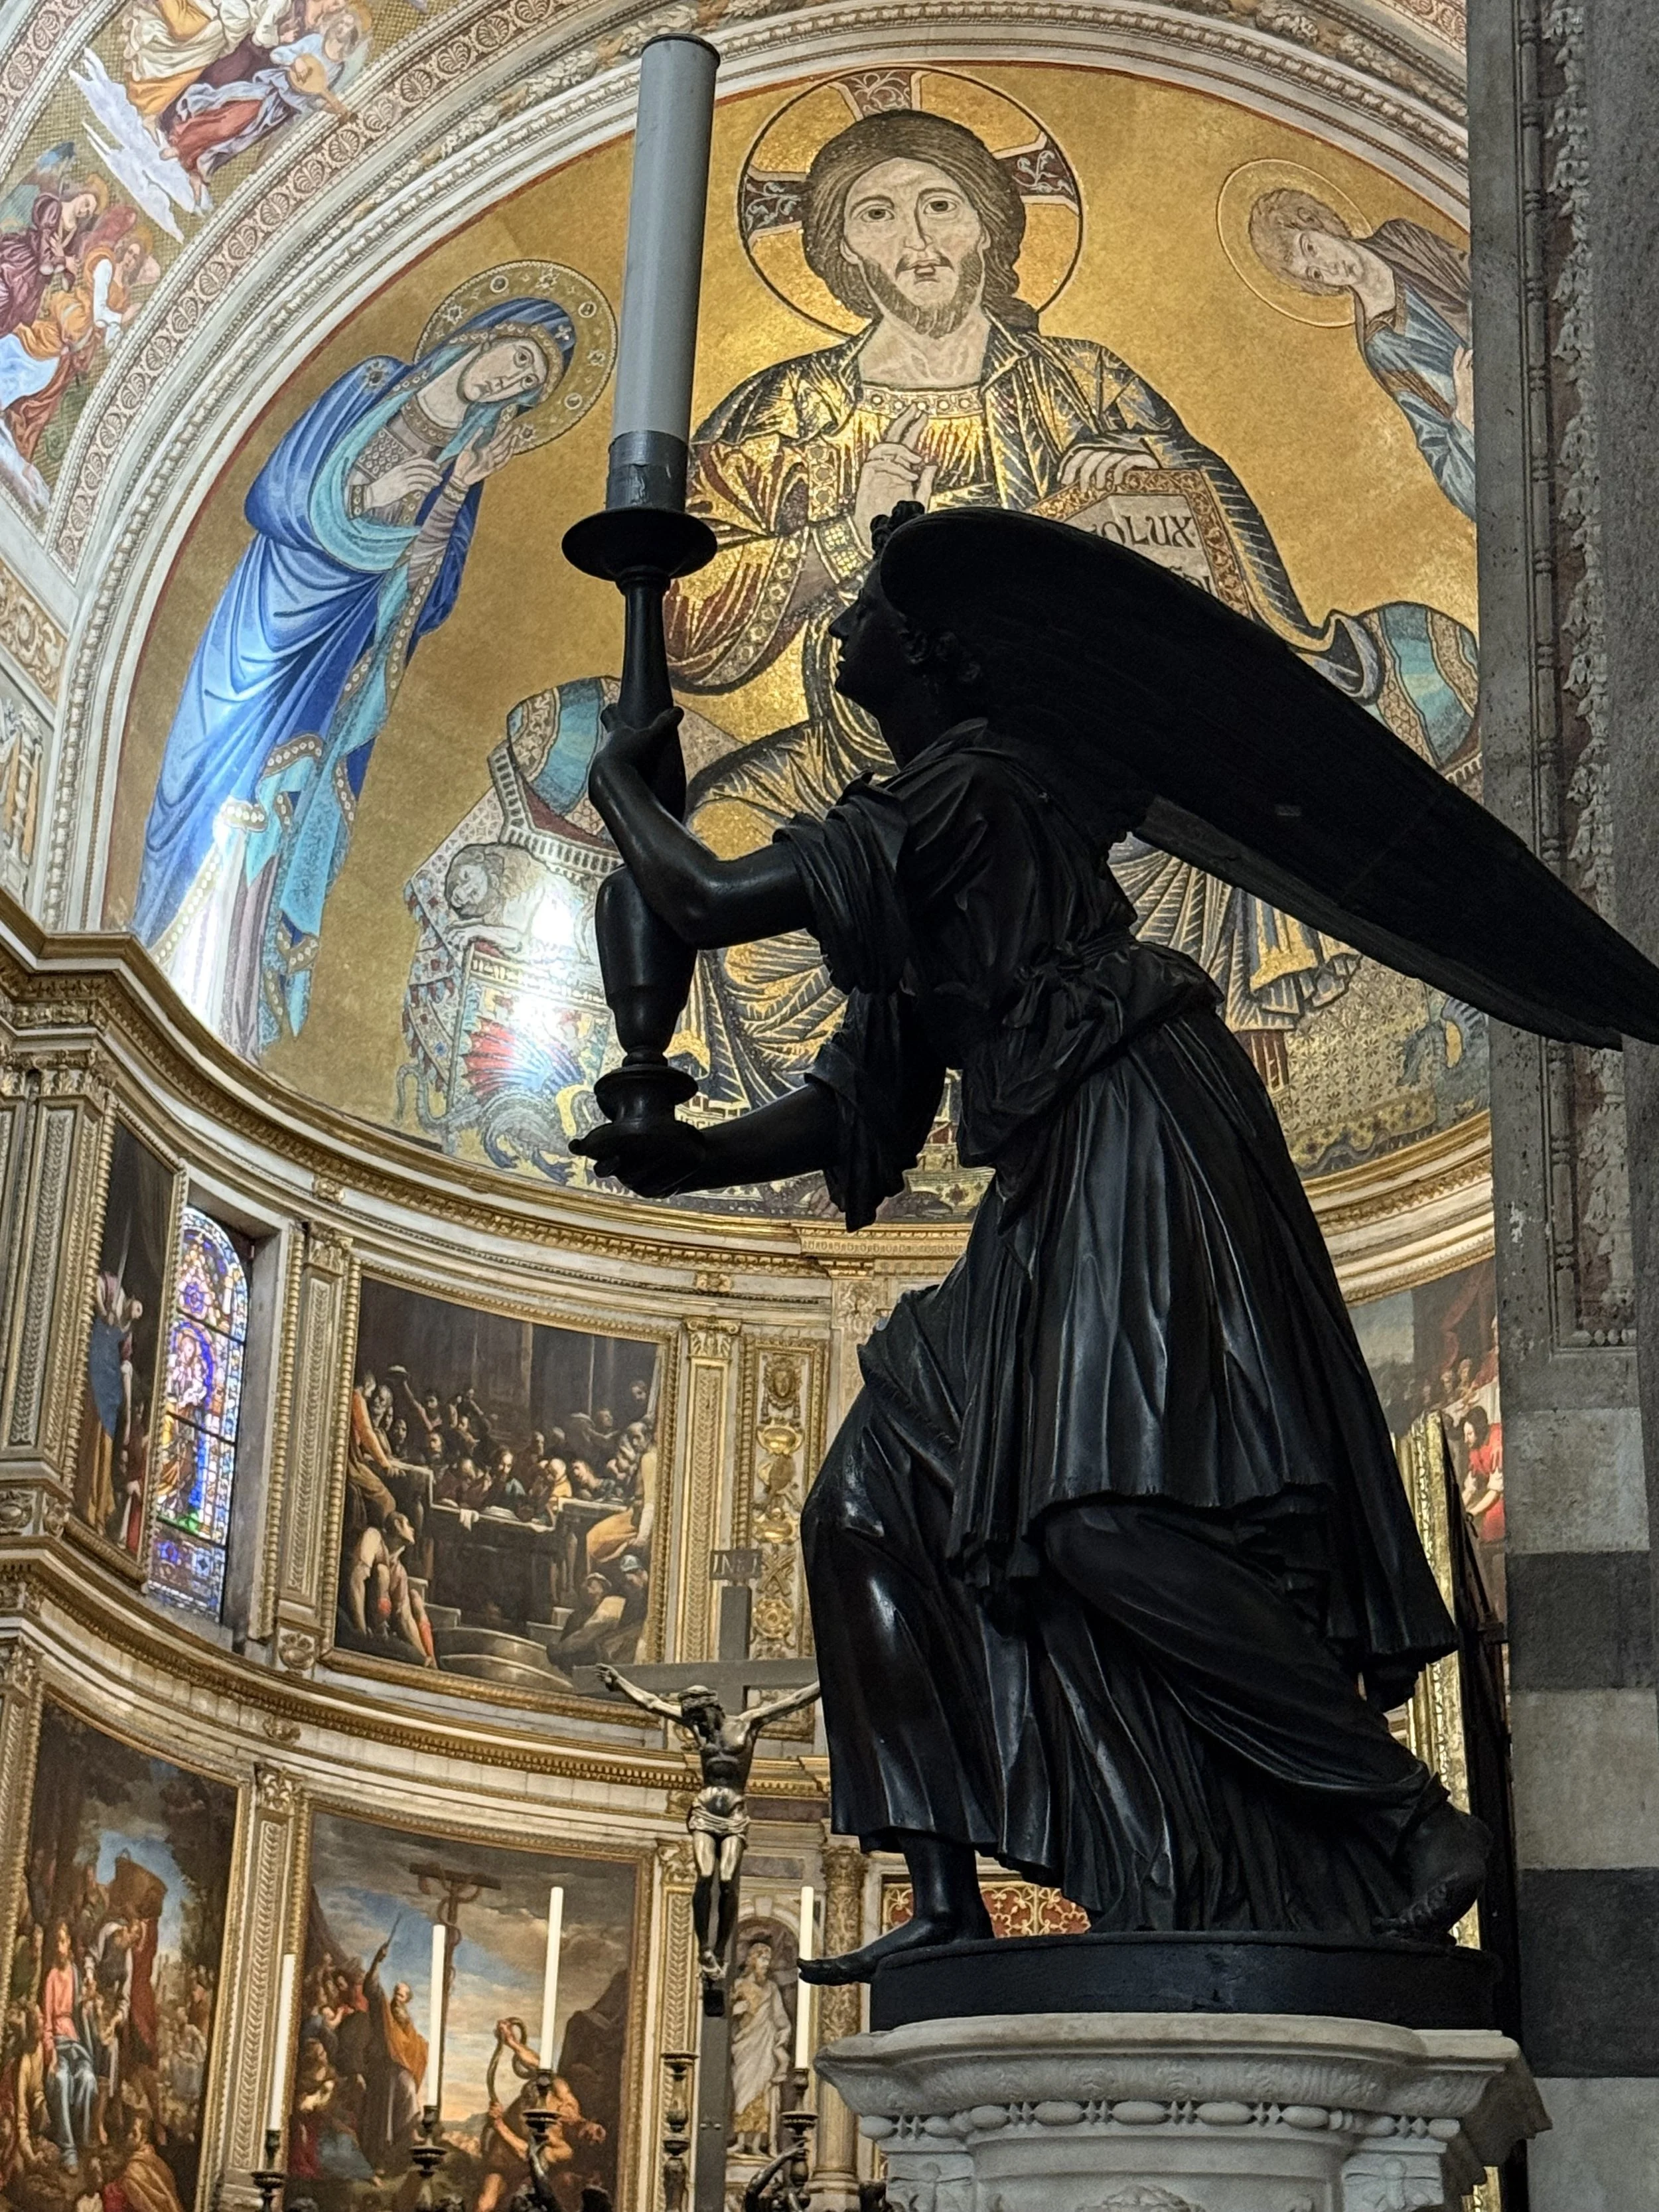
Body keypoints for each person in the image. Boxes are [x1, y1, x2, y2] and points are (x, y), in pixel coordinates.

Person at [575, 504, 1614, 1971]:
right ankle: (939, 1896)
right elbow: (858, 1095)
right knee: (865, 1509)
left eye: (867, 606)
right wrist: (681, 1155)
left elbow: (706, 896)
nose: (842, 629)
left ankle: (1397, 1817)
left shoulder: (976, 781)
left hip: (1137, 1124)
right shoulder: (913, 841)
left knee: (1101, 1514)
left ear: (935, 652)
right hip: (1050, 1173)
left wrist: (622, 783)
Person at [658, 104, 1474, 1102]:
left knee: (1207, 830)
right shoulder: (786, 412)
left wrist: (1142, 478)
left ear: (991, 228)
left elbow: (1220, 570)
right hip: (853, 776)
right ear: (838, 250)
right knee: (722, 839)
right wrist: (837, 536)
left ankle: (1198, 1088)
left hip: (1078, 778)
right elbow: (687, 631)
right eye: (876, 215)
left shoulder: (1082, 381)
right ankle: (855, 1130)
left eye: (939, 206)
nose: (914, 243)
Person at [133, 296, 576, 1058]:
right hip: (270, 612)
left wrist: (455, 490)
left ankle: (231, 1001)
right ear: (487, 336)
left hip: (340, 650)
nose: (509, 379)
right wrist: (366, 499)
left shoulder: (464, 465)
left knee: (279, 807)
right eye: (516, 356)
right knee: (211, 775)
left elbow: (426, 595)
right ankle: (154, 952)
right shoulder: (374, 383)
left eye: (527, 382)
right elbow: (273, 494)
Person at [1247, 188, 1474, 520]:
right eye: (1315, 274)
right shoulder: (1381, 345)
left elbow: (1487, 279)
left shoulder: (1400, 238)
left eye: (1311, 248)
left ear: (1314, 221)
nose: (1328, 268)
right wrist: (1465, 410)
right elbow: (1439, 445)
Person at [598, 1673, 821, 2002]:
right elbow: (651, 1703)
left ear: (712, 1708)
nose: (697, 1726)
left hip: (733, 1814)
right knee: (704, 1874)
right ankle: (704, 1947)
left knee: (728, 1879)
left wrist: (827, 1679)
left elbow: (792, 1701)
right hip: (704, 1811)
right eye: (693, 1720)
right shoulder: (697, 1727)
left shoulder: (747, 1723)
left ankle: (719, 1948)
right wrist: (619, 1683)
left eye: (700, 1718)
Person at [358, 1945, 425, 2171]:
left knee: (409, 2091)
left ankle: (408, 2137)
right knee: (384, 2115)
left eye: (402, 1995)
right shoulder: (383, 2010)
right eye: (396, 1993)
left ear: (407, 2001)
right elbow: (371, 1988)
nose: (397, 1998)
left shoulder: (407, 2025)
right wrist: (377, 1961)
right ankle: (379, 2159)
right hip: (383, 2067)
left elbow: (413, 2047)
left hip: (400, 2069)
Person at [727, 1939, 792, 2158]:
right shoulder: (739, 1985)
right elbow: (725, 2015)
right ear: (753, 1960)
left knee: (763, 2093)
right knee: (743, 2090)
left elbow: (780, 2016)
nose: (766, 1963)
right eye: (763, 1959)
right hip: (745, 2045)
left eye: (768, 1959)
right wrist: (737, 2009)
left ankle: (756, 2144)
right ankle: (739, 2140)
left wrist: (783, 2032)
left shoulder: (772, 1989)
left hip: (765, 2043)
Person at [40, 1923, 96, 2170]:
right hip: (58, 2046)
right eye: (57, 1943)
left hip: (75, 2042)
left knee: (87, 2078)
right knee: (61, 2080)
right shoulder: (52, 1976)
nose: (60, 1948)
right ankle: (68, 2148)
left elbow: (81, 2012)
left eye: (64, 1942)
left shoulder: (75, 1972)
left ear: (70, 1944)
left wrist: (88, 2003)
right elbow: (48, 2023)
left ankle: (81, 2139)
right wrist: (51, 2055)